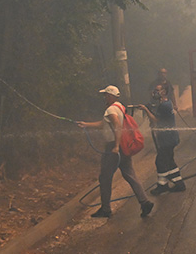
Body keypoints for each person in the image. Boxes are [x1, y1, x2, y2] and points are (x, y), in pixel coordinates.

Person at [77, 85, 154, 218]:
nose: (104, 97)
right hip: (123, 146)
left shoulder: (111, 109)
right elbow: (104, 124)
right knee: (130, 174)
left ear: (111, 96)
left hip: (114, 147)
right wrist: (86, 124)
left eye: (106, 95)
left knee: (105, 177)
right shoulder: (119, 107)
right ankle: (145, 202)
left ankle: (106, 209)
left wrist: (116, 146)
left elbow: (117, 126)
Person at [138, 84, 185, 195]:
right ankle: (177, 184)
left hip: (167, 138)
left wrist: (146, 109)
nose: (155, 92)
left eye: (157, 90)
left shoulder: (164, 106)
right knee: (168, 160)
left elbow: (156, 120)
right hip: (170, 137)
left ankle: (163, 186)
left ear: (164, 91)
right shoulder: (166, 103)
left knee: (161, 161)